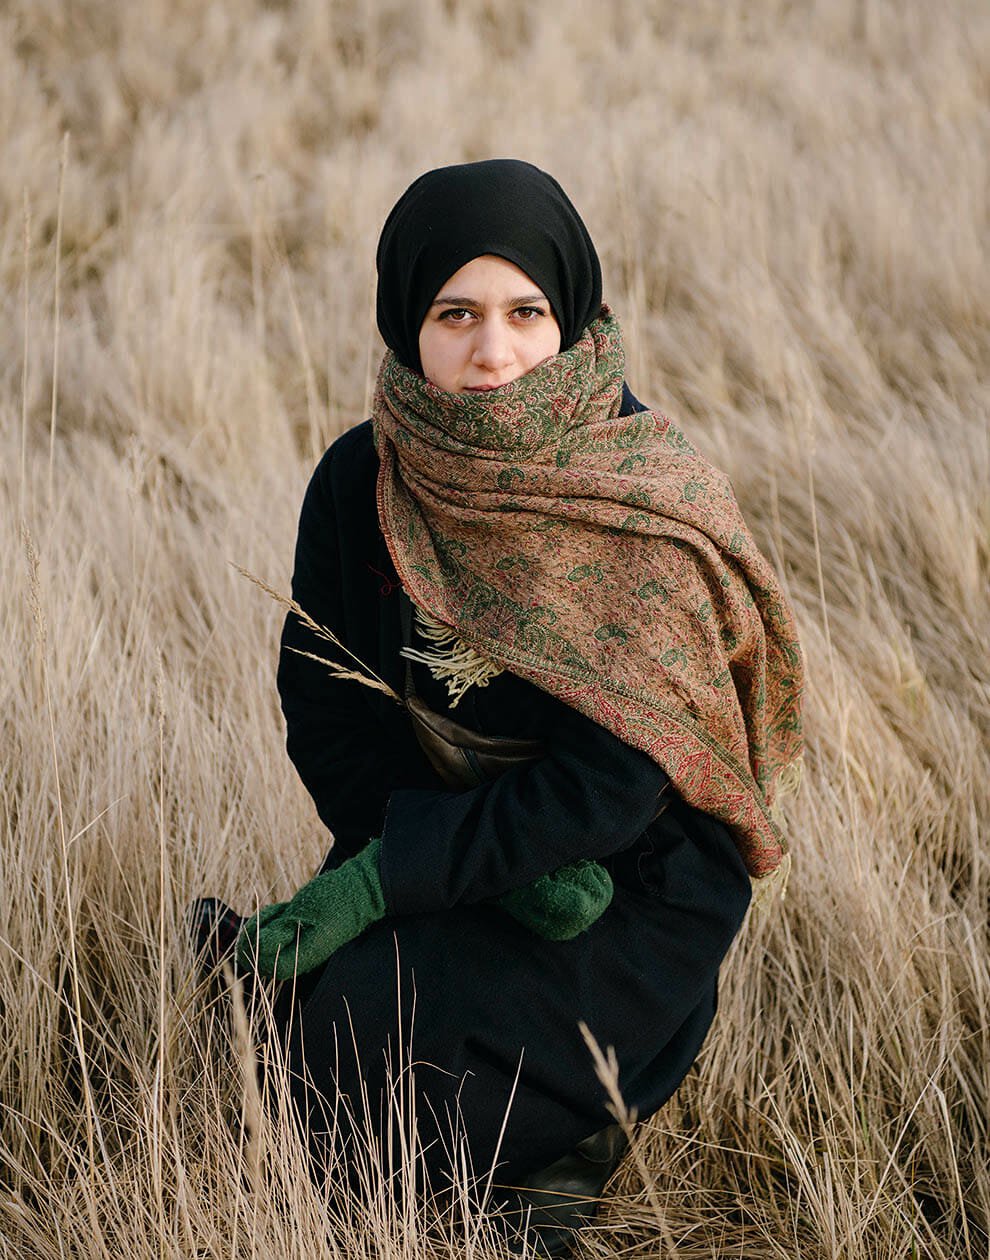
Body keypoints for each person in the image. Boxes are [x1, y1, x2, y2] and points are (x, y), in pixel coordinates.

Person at [194, 159, 804, 1256]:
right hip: (451, 840)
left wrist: (392, 881)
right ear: (406, 322)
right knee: (297, 1048)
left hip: (627, 879)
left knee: (369, 1041)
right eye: (455, 314)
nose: (493, 352)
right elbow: (324, 705)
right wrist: (399, 856)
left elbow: (613, 785)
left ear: (569, 317)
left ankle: (573, 1145)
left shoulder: (632, 498)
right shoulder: (363, 481)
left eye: (526, 313)